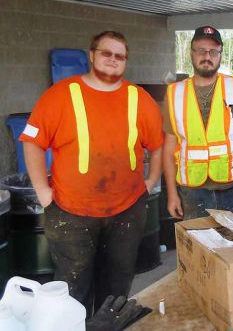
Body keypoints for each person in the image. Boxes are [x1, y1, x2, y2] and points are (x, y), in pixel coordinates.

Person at [20, 31, 164, 315]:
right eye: (106, 53)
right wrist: (43, 192)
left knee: (117, 284)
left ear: (126, 61)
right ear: (92, 55)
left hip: (127, 211)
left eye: (119, 55)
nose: (113, 60)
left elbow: (157, 146)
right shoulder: (61, 95)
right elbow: (33, 143)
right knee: (74, 288)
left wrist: (150, 181)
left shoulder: (139, 99)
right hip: (71, 214)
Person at [162, 25, 233, 220]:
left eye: (213, 51)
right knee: (200, 249)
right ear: (191, 53)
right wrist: (172, 194)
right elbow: (169, 147)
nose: (207, 56)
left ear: (220, 54)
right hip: (192, 193)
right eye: (201, 50)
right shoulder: (174, 94)